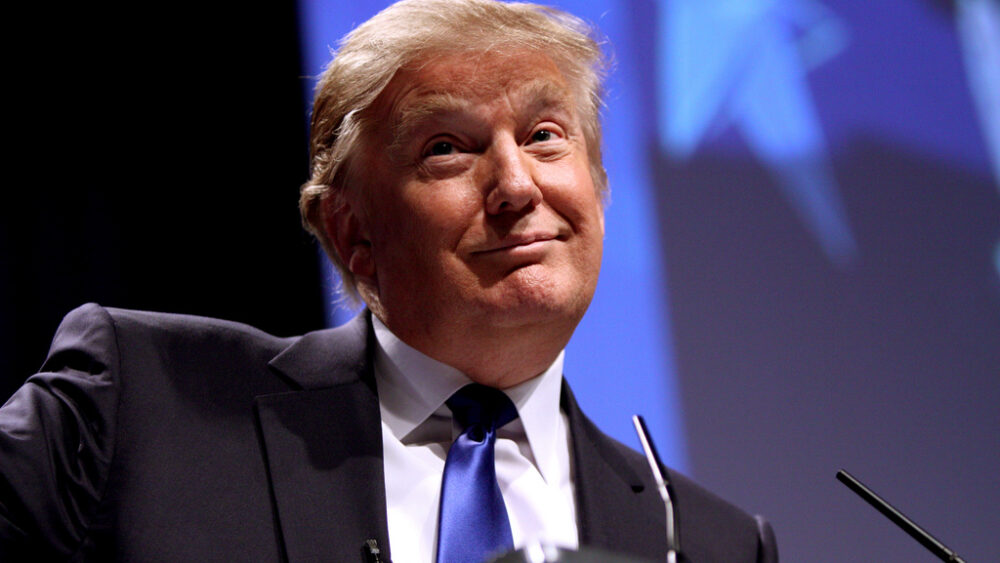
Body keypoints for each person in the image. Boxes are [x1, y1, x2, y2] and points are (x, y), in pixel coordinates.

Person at [0, 1, 778, 561]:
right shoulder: (144, 405)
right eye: (447, 147)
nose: (516, 184)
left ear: (599, 189)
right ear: (352, 231)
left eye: (546, 136)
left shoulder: (713, 542)